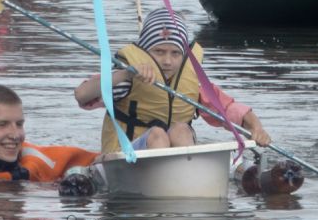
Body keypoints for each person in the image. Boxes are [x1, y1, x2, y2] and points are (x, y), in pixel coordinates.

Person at [74, 8, 272, 153]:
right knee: (158, 135)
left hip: (178, 155)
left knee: (180, 130)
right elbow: (82, 95)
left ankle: (185, 182)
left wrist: (256, 128)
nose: (167, 61)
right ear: (146, 52)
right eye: (159, 52)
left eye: (175, 53)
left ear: (184, 55)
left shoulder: (194, 84)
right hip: (128, 154)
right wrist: (125, 74)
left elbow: (231, 109)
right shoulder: (126, 78)